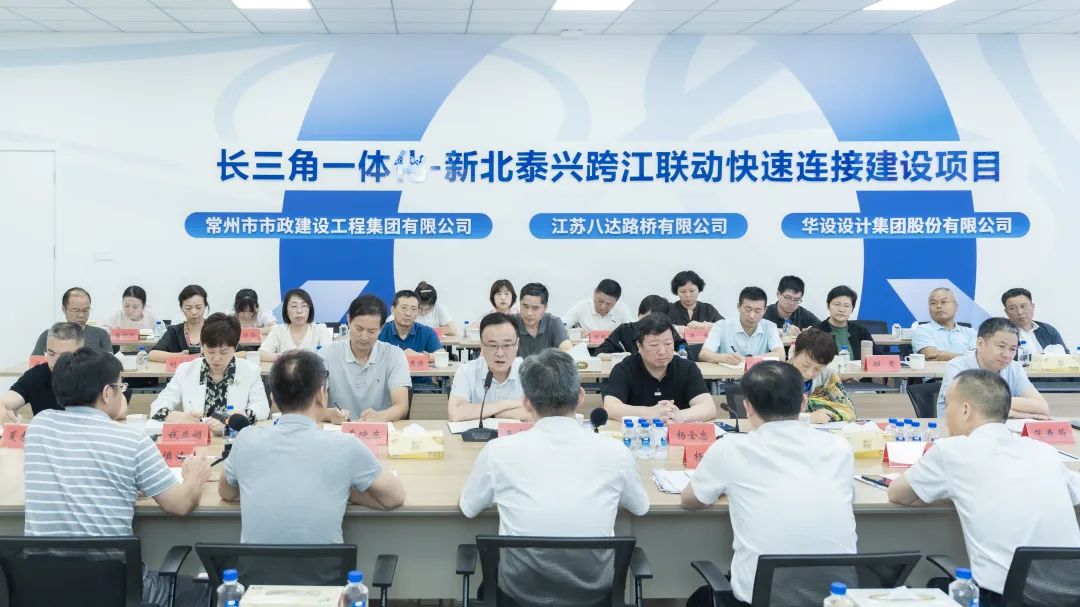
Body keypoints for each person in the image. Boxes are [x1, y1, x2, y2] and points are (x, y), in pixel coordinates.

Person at [23, 348, 211, 607]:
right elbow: (179, 504)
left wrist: (120, 483)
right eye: (120, 387)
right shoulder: (131, 440)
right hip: (114, 590)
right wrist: (195, 476)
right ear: (107, 393)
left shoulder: (39, 426)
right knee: (206, 589)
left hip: (43, 588)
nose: (122, 393)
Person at [460, 349, 649, 605]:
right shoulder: (616, 452)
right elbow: (640, 507)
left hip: (518, 594)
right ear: (580, 396)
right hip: (594, 595)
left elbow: (469, 507)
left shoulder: (498, 451)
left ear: (526, 402)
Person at [889, 369, 1080, 604]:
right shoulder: (1044, 452)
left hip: (999, 598)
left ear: (965, 410)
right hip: (1069, 595)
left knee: (932, 585)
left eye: (948, 405)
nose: (945, 416)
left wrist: (952, 491)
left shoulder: (951, 452)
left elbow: (898, 494)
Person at [681, 361, 857, 606]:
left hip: (760, 599)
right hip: (836, 599)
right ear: (803, 403)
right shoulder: (839, 447)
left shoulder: (731, 448)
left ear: (748, 407)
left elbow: (691, 499)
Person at [219, 350, 406, 550]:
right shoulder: (346, 445)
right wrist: (345, 490)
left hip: (255, 570)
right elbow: (394, 497)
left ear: (273, 398)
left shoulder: (245, 439)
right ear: (321, 395)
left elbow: (226, 492)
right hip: (326, 570)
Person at [149, 313, 269, 433]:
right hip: (197, 438)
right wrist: (183, 418)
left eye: (223, 352)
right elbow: (157, 406)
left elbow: (262, 407)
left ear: (235, 347)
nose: (216, 358)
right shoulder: (186, 370)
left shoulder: (250, 371)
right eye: (211, 351)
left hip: (234, 438)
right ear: (202, 345)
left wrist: (231, 420)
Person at [603, 313, 715, 423]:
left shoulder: (687, 368)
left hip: (675, 432)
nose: (662, 351)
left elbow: (708, 407)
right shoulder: (624, 369)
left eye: (668, 344)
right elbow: (610, 407)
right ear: (639, 346)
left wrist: (680, 416)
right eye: (654, 345)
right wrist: (649, 412)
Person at [320, 295, 411, 423]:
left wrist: (382, 416)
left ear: (381, 328)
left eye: (371, 331)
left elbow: (401, 406)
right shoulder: (327, 354)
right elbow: (314, 407)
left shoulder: (394, 355)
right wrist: (328, 414)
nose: (364, 337)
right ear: (349, 320)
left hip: (378, 430)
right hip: (337, 430)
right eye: (359, 329)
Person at [936, 317, 1048, 419]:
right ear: (980, 344)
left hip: (1000, 431)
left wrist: (1003, 407)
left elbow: (1042, 407)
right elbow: (959, 403)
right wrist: (1016, 413)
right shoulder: (957, 366)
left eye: (1012, 349)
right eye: (1001, 346)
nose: (1007, 355)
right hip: (959, 432)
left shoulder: (1014, 368)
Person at [447, 312, 529, 422]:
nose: (500, 353)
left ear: (517, 344)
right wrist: (507, 404)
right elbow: (455, 413)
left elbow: (539, 414)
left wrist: (488, 413)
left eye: (507, 345)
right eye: (493, 345)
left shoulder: (530, 372)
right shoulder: (466, 371)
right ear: (481, 345)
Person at [1, 322, 82, 423]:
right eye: (51, 353)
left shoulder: (94, 377)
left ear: (81, 353)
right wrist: (7, 415)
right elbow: (4, 403)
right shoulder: (36, 375)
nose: (56, 361)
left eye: (64, 356)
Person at [699, 286, 785, 365]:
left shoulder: (769, 327)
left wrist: (752, 359)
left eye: (757, 311)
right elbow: (703, 354)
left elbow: (781, 356)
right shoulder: (722, 326)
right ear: (738, 307)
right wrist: (724, 358)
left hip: (759, 376)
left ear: (765, 310)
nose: (752, 316)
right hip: (728, 375)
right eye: (748, 309)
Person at [788, 328, 855, 422]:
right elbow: (772, 415)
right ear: (794, 352)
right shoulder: (778, 375)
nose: (809, 373)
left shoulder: (828, 375)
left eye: (818, 369)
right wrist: (808, 417)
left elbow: (849, 412)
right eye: (805, 365)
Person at [31, 287, 112, 355]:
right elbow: (35, 363)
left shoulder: (101, 334)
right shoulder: (48, 335)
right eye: (75, 310)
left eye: (86, 310)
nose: (81, 315)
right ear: (64, 309)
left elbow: (111, 366)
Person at [596, 295, 685, 356]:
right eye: (643, 319)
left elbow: (684, 350)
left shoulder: (668, 331)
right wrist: (618, 356)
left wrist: (675, 354)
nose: (645, 325)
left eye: (651, 322)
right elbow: (600, 352)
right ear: (638, 314)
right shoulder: (625, 330)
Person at [259, 288, 330, 362]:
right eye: (294, 306)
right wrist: (282, 357)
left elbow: (329, 354)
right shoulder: (278, 330)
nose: (299, 311)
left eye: (304, 306)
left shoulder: (319, 329)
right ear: (286, 311)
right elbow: (261, 353)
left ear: (310, 310)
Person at [911, 287, 977, 361]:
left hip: (966, 369)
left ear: (956, 307)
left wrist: (946, 356)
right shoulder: (922, 330)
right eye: (933, 303)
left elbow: (979, 357)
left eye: (944, 302)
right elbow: (932, 355)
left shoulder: (971, 332)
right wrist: (968, 357)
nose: (939, 306)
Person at [378, 289, 443, 362]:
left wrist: (420, 356)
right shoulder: (380, 331)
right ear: (393, 310)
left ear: (417, 312)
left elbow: (441, 355)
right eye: (404, 308)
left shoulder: (427, 332)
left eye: (413, 309)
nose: (408, 313)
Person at [149, 284, 208, 362]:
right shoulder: (175, 331)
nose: (194, 312)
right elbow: (152, 354)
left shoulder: (215, 329)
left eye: (198, 307)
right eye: (188, 308)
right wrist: (179, 356)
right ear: (181, 308)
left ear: (205, 306)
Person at [814, 285, 873, 360]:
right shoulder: (816, 332)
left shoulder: (861, 332)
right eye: (837, 304)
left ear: (852, 309)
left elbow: (877, 357)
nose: (841, 309)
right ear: (828, 306)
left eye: (846, 306)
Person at [513, 282, 572, 357]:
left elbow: (567, 349)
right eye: (525, 306)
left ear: (545, 307)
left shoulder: (553, 322)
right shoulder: (510, 323)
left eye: (535, 308)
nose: (529, 313)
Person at [1002, 287, 1066, 354]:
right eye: (1013, 308)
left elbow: (1066, 356)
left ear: (1032, 307)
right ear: (1006, 312)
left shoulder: (1048, 330)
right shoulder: (1001, 333)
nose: (1020, 312)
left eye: (1023, 306)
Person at [562, 278, 633, 332]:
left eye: (609, 304)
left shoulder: (621, 309)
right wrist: (575, 332)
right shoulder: (582, 307)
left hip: (612, 346)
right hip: (588, 346)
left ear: (616, 301)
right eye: (600, 301)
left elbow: (634, 330)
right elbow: (561, 327)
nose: (603, 307)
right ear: (594, 292)